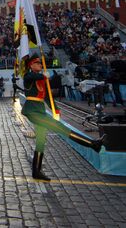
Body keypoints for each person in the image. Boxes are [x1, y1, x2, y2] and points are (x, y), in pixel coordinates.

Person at [22, 53, 107, 181]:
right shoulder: (28, 76)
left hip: (40, 111)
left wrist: (55, 110)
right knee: (61, 128)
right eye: (37, 63)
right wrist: (43, 75)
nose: (40, 65)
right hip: (32, 111)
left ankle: (36, 171)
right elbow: (32, 76)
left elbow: (47, 98)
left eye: (40, 63)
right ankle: (92, 144)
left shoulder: (41, 80)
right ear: (31, 65)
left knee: (40, 141)